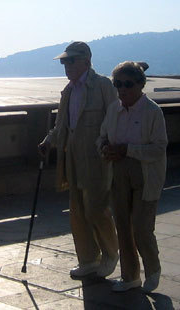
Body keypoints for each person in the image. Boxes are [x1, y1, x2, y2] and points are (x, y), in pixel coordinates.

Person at [38, 41, 119, 278]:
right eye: (64, 61)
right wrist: (48, 141)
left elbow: (114, 118)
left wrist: (108, 145)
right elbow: (62, 125)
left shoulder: (103, 85)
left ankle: (111, 254)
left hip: (97, 157)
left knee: (96, 208)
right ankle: (88, 259)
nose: (66, 65)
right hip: (72, 156)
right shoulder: (69, 90)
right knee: (77, 210)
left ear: (86, 60)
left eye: (71, 60)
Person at [97, 61, 168, 292]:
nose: (122, 89)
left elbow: (159, 148)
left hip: (145, 175)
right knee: (123, 228)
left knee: (141, 227)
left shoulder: (152, 112)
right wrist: (105, 147)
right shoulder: (113, 109)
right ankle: (130, 277)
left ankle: (153, 268)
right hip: (118, 172)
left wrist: (128, 150)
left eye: (127, 84)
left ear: (140, 85)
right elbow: (102, 136)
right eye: (117, 84)